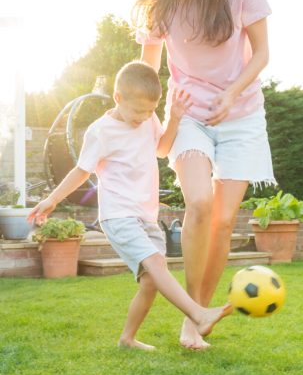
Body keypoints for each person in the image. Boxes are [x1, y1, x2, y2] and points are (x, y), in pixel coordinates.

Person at [134, 0, 276, 350]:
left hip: (242, 114)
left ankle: (197, 315)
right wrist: (145, 117)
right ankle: (192, 316)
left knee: (223, 219)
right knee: (198, 203)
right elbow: (147, 70)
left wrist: (232, 94)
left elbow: (264, 54)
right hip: (191, 115)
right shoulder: (162, 0)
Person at [28, 61, 232, 351]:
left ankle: (127, 338)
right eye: (138, 111)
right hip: (118, 215)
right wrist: (51, 200)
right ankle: (198, 313)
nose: (143, 117)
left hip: (146, 215)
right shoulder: (100, 131)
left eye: (150, 110)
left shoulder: (149, 121)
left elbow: (161, 150)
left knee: (150, 282)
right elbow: (81, 171)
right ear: (118, 98)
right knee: (157, 264)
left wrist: (173, 118)